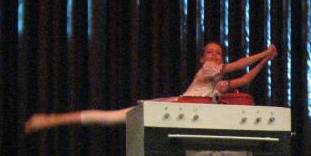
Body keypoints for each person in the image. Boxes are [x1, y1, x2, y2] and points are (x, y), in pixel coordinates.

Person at [24, 42, 277, 132]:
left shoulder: (216, 83)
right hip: (176, 108)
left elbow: (244, 80)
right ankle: (52, 119)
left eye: (218, 53)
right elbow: (240, 65)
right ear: (202, 59)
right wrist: (264, 52)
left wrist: (266, 60)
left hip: (187, 116)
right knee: (114, 118)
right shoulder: (207, 71)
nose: (214, 55)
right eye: (209, 52)